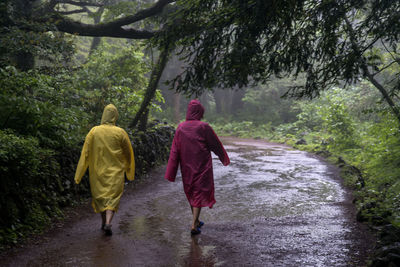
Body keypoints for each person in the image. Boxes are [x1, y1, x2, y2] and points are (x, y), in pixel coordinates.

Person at [165, 99, 230, 235]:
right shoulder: (203, 127)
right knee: (199, 192)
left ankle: (196, 220)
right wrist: (223, 157)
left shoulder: (181, 127)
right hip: (202, 165)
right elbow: (215, 144)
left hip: (186, 166)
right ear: (200, 112)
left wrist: (172, 169)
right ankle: (194, 224)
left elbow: (175, 150)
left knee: (191, 191)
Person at [74, 104, 135, 236]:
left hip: (97, 172)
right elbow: (128, 152)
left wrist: (79, 174)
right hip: (115, 172)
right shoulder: (120, 132)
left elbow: (85, 153)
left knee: (101, 197)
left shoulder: (94, 131)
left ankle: (104, 223)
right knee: (112, 198)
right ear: (115, 116)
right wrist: (129, 168)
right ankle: (107, 222)